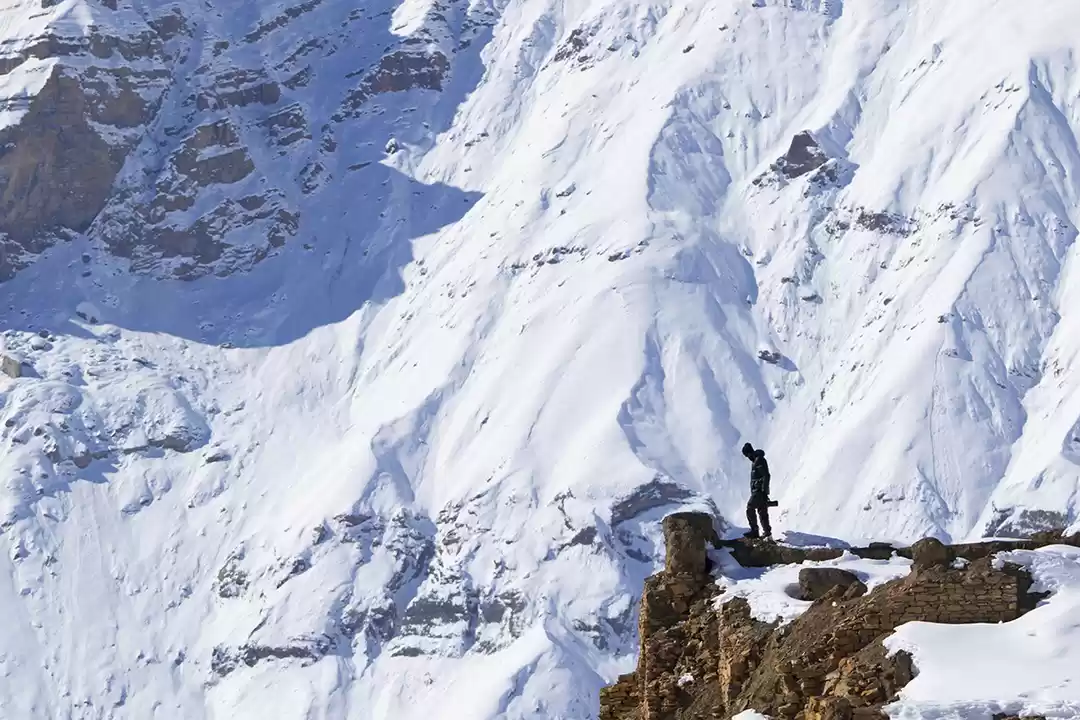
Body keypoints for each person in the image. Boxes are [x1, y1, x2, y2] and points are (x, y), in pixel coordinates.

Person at [742, 442, 772, 539]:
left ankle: (754, 531)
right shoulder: (756, 461)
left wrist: (763, 490)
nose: (747, 457)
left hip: (759, 492)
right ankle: (767, 533)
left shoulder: (759, 461)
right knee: (762, 511)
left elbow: (766, 475)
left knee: (750, 507)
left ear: (749, 452)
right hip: (759, 491)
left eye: (747, 455)